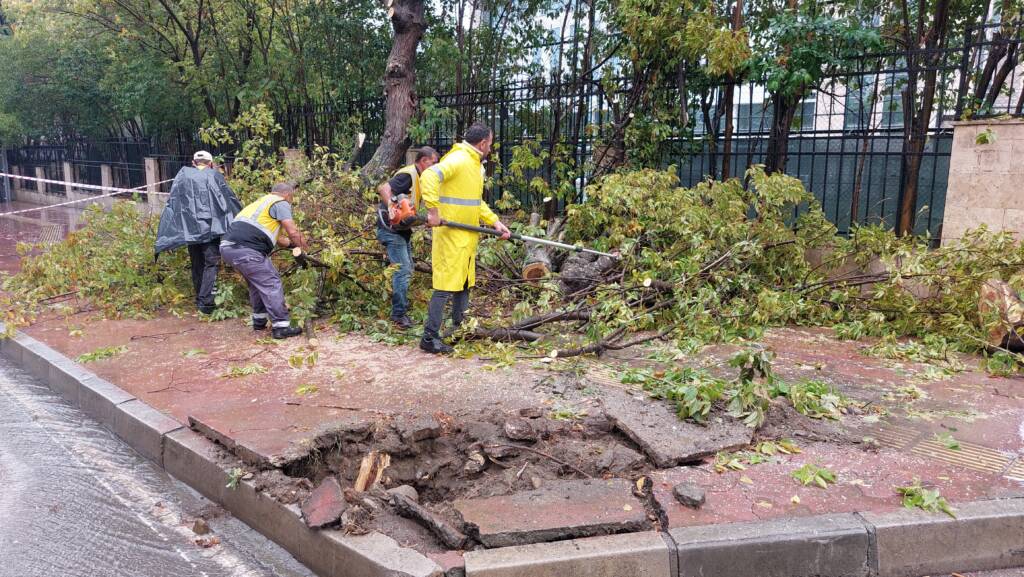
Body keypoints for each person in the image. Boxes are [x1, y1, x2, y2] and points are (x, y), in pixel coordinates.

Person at [419, 124, 511, 354]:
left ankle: (459, 329)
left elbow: (474, 202)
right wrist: (432, 211)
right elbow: (429, 175)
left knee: (463, 282)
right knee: (444, 285)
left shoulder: (473, 164)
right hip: (451, 235)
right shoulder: (460, 159)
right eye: (490, 143)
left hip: (466, 235)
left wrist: (495, 222)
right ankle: (429, 338)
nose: (490, 147)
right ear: (482, 144)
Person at [155, 151, 242, 314]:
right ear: (210, 163)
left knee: (197, 264)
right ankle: (207, 302)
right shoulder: (215, 176)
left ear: (193, 162)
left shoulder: (183, 177)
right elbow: (228, 200)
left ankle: (199, 299)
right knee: (211, 264)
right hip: (211, 230)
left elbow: (174, 203)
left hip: (191, 230)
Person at [219, 182, 308, 339]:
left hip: (229, 248)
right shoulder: (280, 203)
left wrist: (293, 245)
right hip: (246, 249)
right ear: (287, 194)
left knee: (256, 284)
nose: (291, 201)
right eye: (292, 198)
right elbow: (292, 231)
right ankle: (281, 327)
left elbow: (279, 239)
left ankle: (259, 321)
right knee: (271, 282)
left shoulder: (260, 203)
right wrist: (304, 249)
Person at [376, 147, 439, 329]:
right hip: (390, 229)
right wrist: (392, 207)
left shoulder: (420, 180)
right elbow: (384, 188)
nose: (435, 168)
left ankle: (400, 309)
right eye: (433, 163)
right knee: (403, 270)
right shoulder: (408, 175)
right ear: (424, 161)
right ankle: (398, 315)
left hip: (401, 231)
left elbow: (410, 213)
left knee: (407, 269)